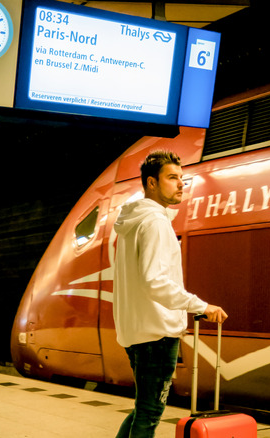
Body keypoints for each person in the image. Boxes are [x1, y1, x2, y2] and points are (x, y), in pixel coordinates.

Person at [113, 150, 228, 438]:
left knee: (143, 408)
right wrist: (199, 304)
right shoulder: (155, 222)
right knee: (150, 412)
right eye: (173, 177)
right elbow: (155, 281)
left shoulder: (135, 220)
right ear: (151, 183)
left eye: (182, 178)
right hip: (157, 334)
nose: (181, 184)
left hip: (137, 333)